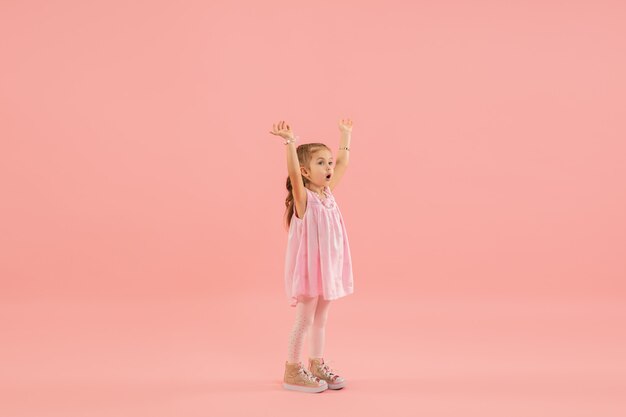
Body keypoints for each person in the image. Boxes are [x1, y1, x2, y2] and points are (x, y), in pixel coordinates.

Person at [269, 119, 355, 393]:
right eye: (321, 163)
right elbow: (293, 174)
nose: (329, 167)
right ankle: (292, 370)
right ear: (306, 171)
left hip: (327, 269)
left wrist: (345, 136)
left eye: (328, 162)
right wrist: (289, 143)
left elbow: (343, 164)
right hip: (309, 271)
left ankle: (316, 363)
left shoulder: (328, 194)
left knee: (322, 318)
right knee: (304, 320)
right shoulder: (304, 198)